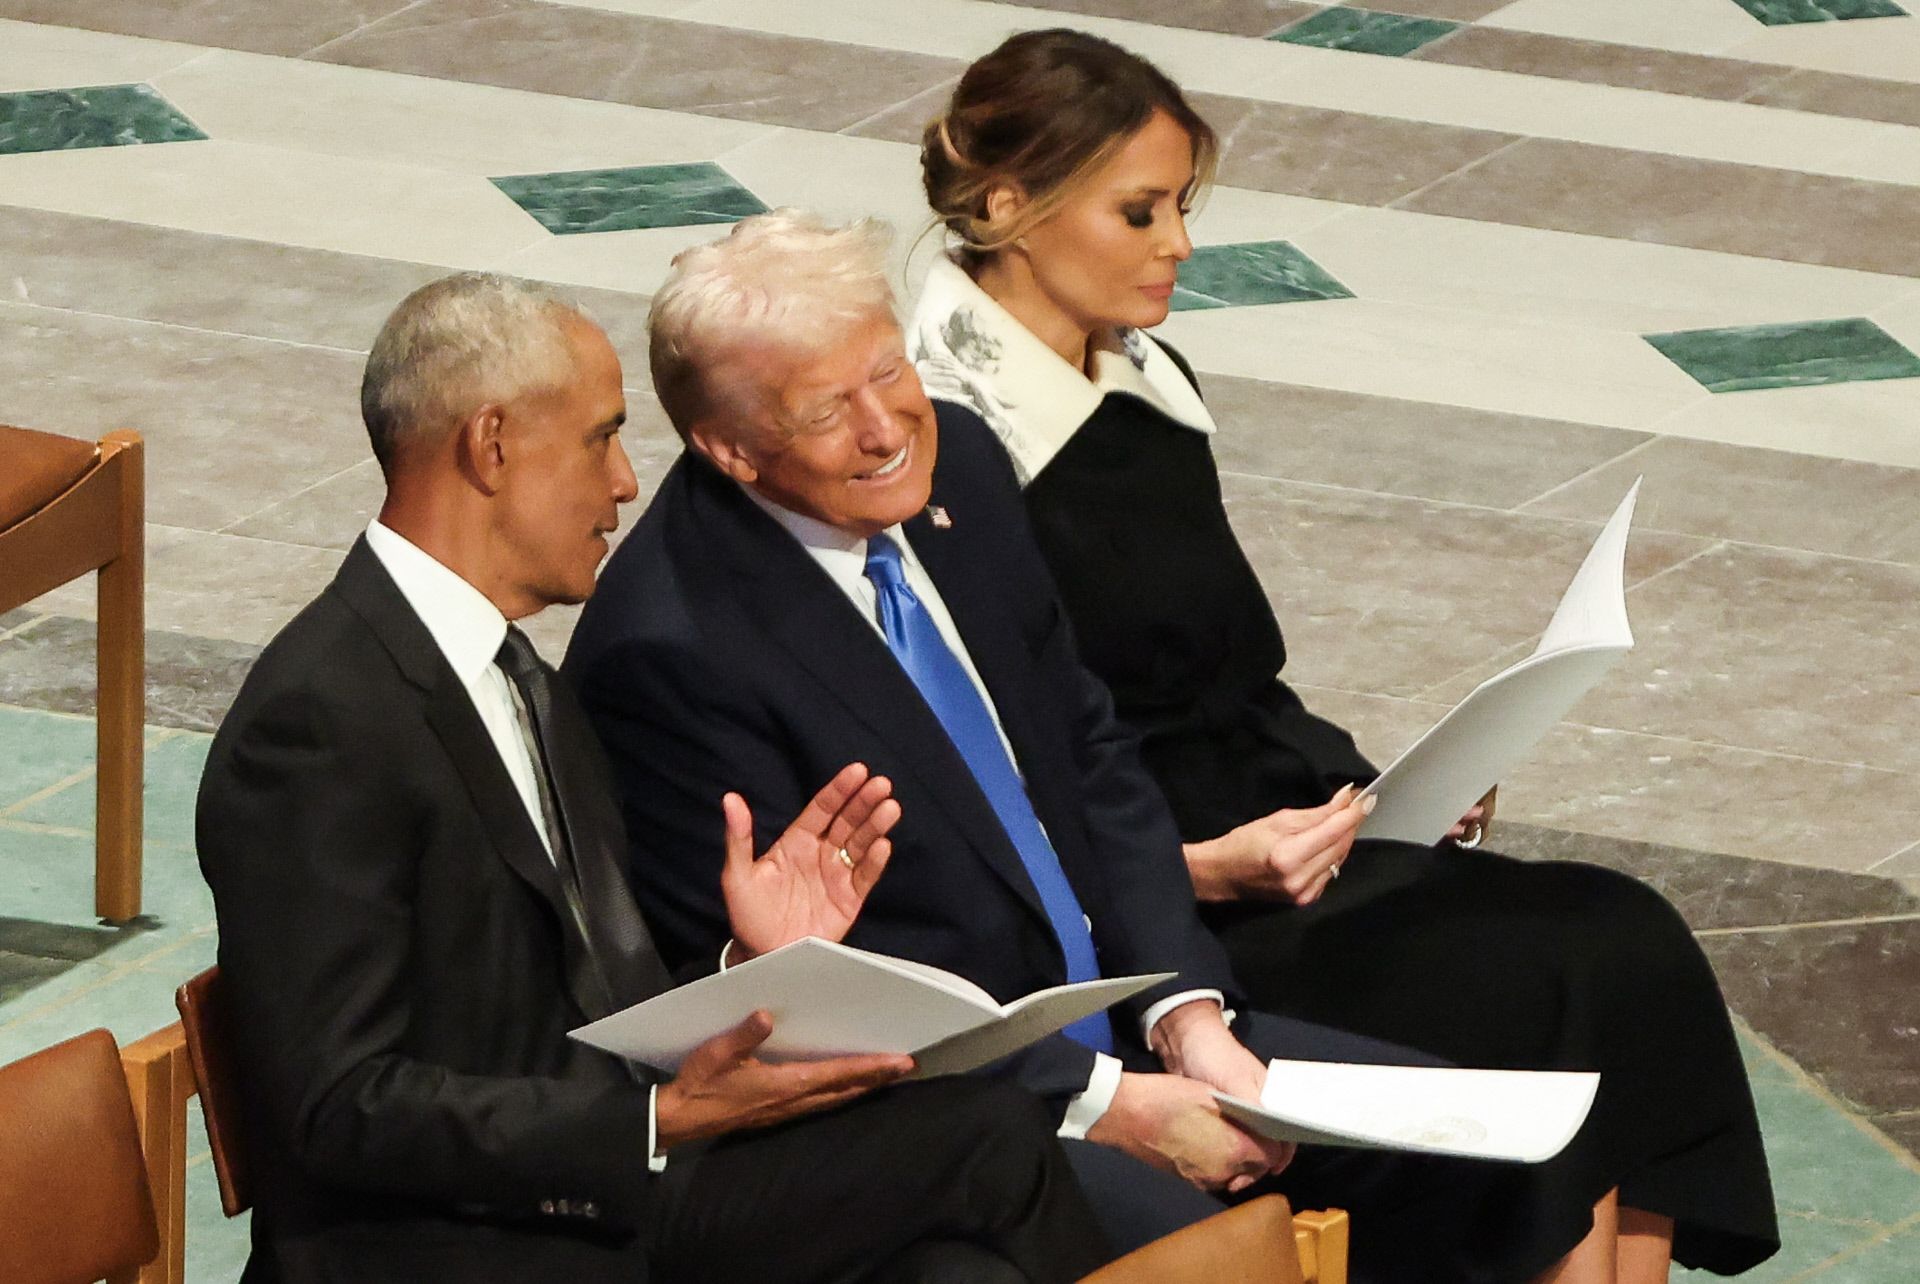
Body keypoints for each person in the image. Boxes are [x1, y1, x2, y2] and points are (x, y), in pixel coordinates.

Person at [905, 27, 1778, 1284]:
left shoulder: (1149, 385)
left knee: (1625, 938)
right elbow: (986, 764)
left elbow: (1223, 675)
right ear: (1007, 207)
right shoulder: (944, 448)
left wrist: (1395, 786)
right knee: (1549, 986)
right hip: (1168, 918)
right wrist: (1203, 870)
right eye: (1140, 211)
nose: (1180, 247)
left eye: (1183, 208)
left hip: (1288, 842)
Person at [567, 211, 1509, 1279]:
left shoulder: (957, 464)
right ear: (730, 448)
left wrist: (1185, 1012)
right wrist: (1106, 1102)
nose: (888, 429)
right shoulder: (669, 650)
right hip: (963, 1103)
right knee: (1221, 1254)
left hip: (1128, 1012)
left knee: (1498, 1159)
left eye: (889, 372)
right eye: (830, 410)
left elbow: (1089, 755)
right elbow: (805, 1000)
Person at [194, 271, 1112, 1284]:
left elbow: (582, 993)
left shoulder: (520, 677)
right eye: (600, 436)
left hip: (603, 1185)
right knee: (987, 1138)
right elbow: (336, 1106)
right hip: (455, 1242)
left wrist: (748, 967)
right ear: (490, 446)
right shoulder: (319, 721)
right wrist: (646, 1121)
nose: (627, 481)